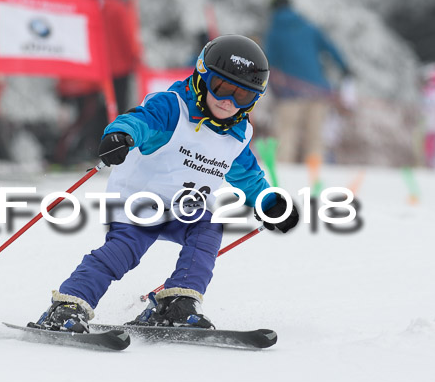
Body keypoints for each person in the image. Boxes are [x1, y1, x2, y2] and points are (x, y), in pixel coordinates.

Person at [30, 35, 300, 333]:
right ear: (202, 78)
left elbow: (248, 176)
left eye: (243, 96)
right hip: (140, 202)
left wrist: (269, 202)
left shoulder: (236, 134)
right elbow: (140, 120)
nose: (229, 102)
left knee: (209, 227)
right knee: (123, 253)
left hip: (187, 209)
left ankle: (177, 302)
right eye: (222, 88)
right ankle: (68, 305)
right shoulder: (173, 108)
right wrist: (121, 135)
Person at [53, 0, 139, 165]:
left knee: (90, 112)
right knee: (115, 111)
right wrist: (134, 58)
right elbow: (128, 35)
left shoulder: (88, 5)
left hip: (95, 68)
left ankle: (85, 148)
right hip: (119, 68)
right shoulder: (117, 5)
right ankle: (108, 148)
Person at [264, 0, 350, 165]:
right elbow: (330, 48)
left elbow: (268, 63)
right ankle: (315, 175)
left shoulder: (275, 32)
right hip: (318, 90)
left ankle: (283, 174)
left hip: (290, 93)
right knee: (315, 137)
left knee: (286, 134)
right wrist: (345, 68)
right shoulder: (309, 27)